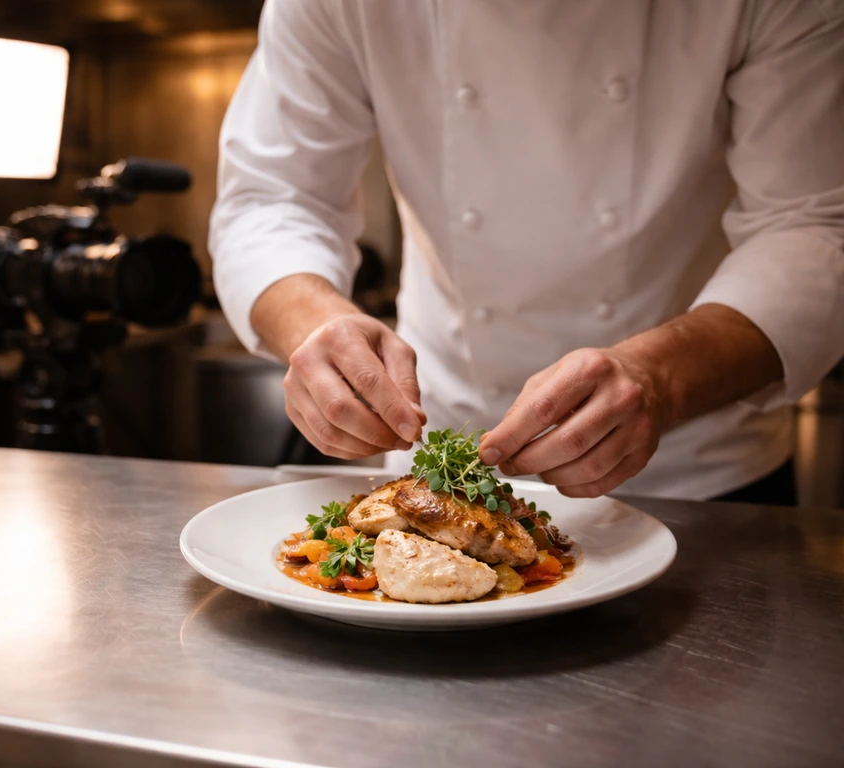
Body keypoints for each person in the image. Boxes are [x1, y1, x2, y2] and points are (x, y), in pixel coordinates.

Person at [209, 0, 844, 502]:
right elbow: (272, 198)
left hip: (696, 472)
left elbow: (816, 221)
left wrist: (662, 378)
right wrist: (315, 325)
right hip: (439, 443)